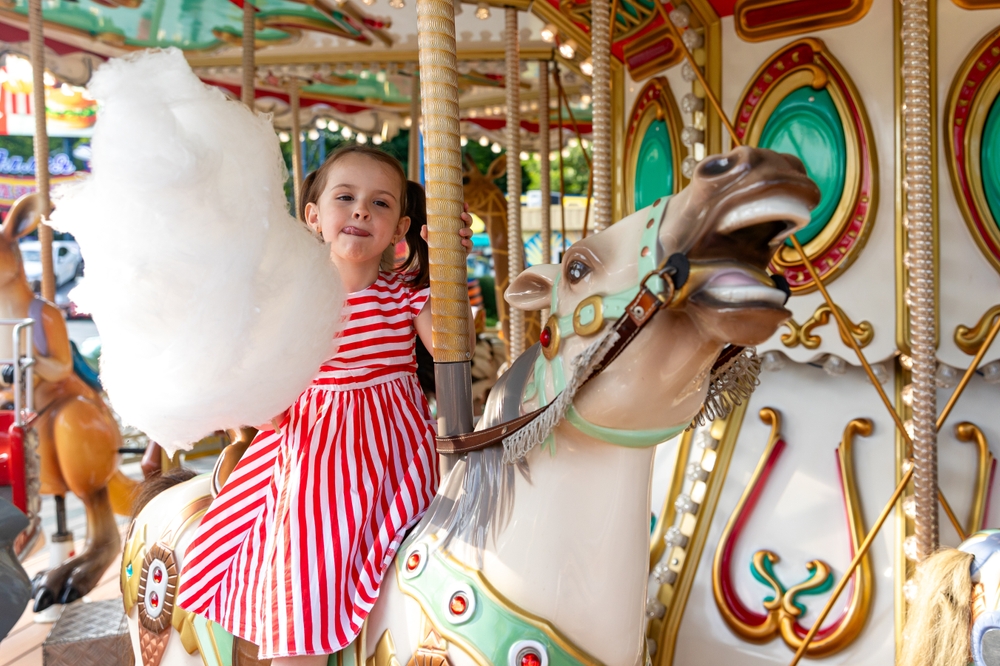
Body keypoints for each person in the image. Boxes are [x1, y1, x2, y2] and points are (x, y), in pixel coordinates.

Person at [176, 145, 474, 664]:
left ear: (400, 229)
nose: (362, 210)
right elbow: (264, 386)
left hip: (399, 462)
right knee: (309, 573)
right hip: (318, 462)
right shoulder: (294, 300)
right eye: (346, 197)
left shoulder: (406, 297)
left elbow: (455, 347)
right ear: (314, 216)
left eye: (380, 203)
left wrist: (451, 263)